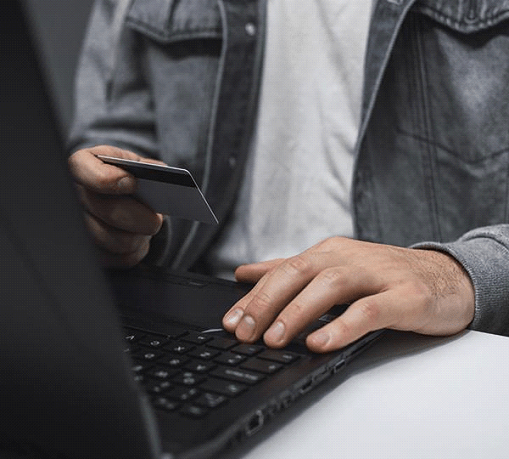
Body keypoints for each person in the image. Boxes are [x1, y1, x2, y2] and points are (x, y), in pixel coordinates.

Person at [68, 0, 509, 353]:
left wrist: (454, 275)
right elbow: (118, 133)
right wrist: (117, 222)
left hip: (433, 349)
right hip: (202, 325)